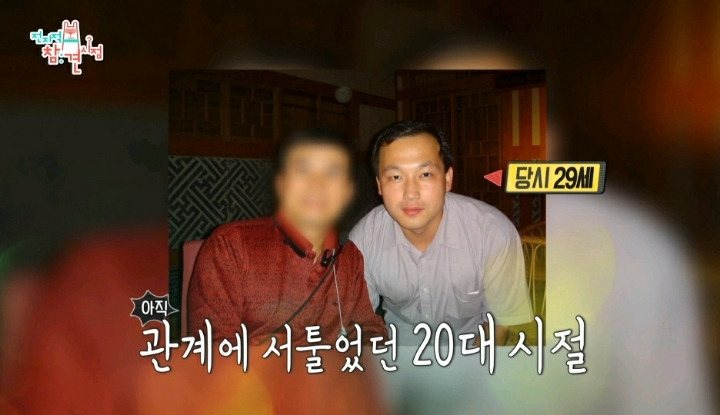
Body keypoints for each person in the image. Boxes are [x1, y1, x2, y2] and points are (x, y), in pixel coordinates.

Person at [188, 128, 388, 345]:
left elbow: (369, 328)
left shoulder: (349, 255)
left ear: (347, 191)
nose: (317, 184)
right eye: (303, 170)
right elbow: (212, 349)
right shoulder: (230, 246)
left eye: (332, 173)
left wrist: (368, 354)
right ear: (281, 184)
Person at [349, 121, 532, 345]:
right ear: (379, 185)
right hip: (399, 352)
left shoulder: (493, 233)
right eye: (396, 177)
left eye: (425, 174)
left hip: (471, 352)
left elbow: (498, 324)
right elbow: (359, 325)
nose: (411, 194)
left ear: (447, 179)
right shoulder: (363, 242)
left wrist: (472, 365)